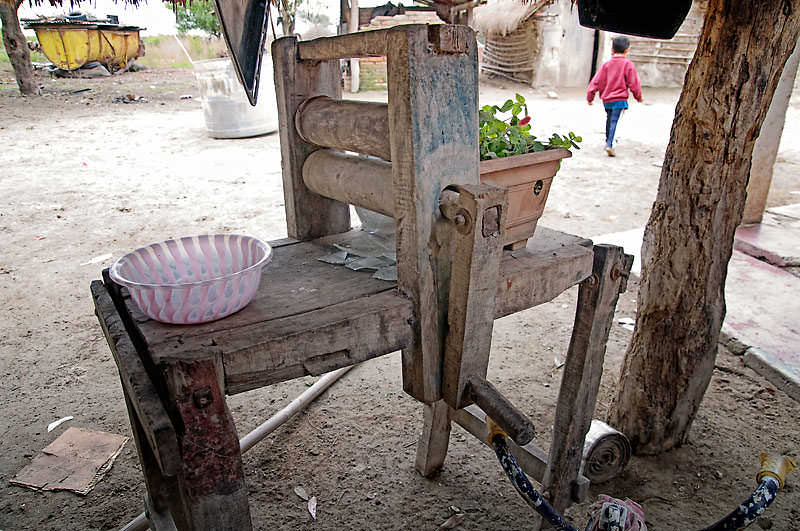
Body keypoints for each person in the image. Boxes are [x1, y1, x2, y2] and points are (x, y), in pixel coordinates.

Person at [587, 36, 643, 157]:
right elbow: (634, 83)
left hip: (606, 100)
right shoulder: (628, 65)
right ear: (627, 50)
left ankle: (608, 140)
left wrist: (590, 97)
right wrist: (638, 97)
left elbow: (595, 81)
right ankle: (610, 143)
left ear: (612, 50)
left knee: (609, 119)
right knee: (614, 121)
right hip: (620, 99)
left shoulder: (606, 65)